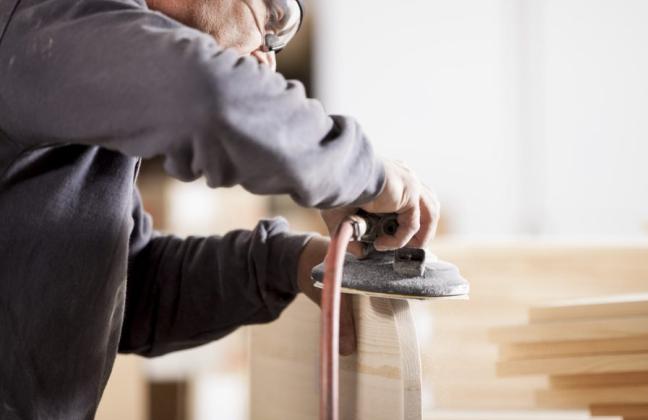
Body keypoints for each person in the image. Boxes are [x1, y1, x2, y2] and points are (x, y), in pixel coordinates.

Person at [0, 0, 439, 417]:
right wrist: (366, 174)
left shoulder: (83, 74)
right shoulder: (47, 17)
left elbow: (131, 289)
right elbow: (206, 98)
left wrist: (288, 262)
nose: (268, 62)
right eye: (272, 16)